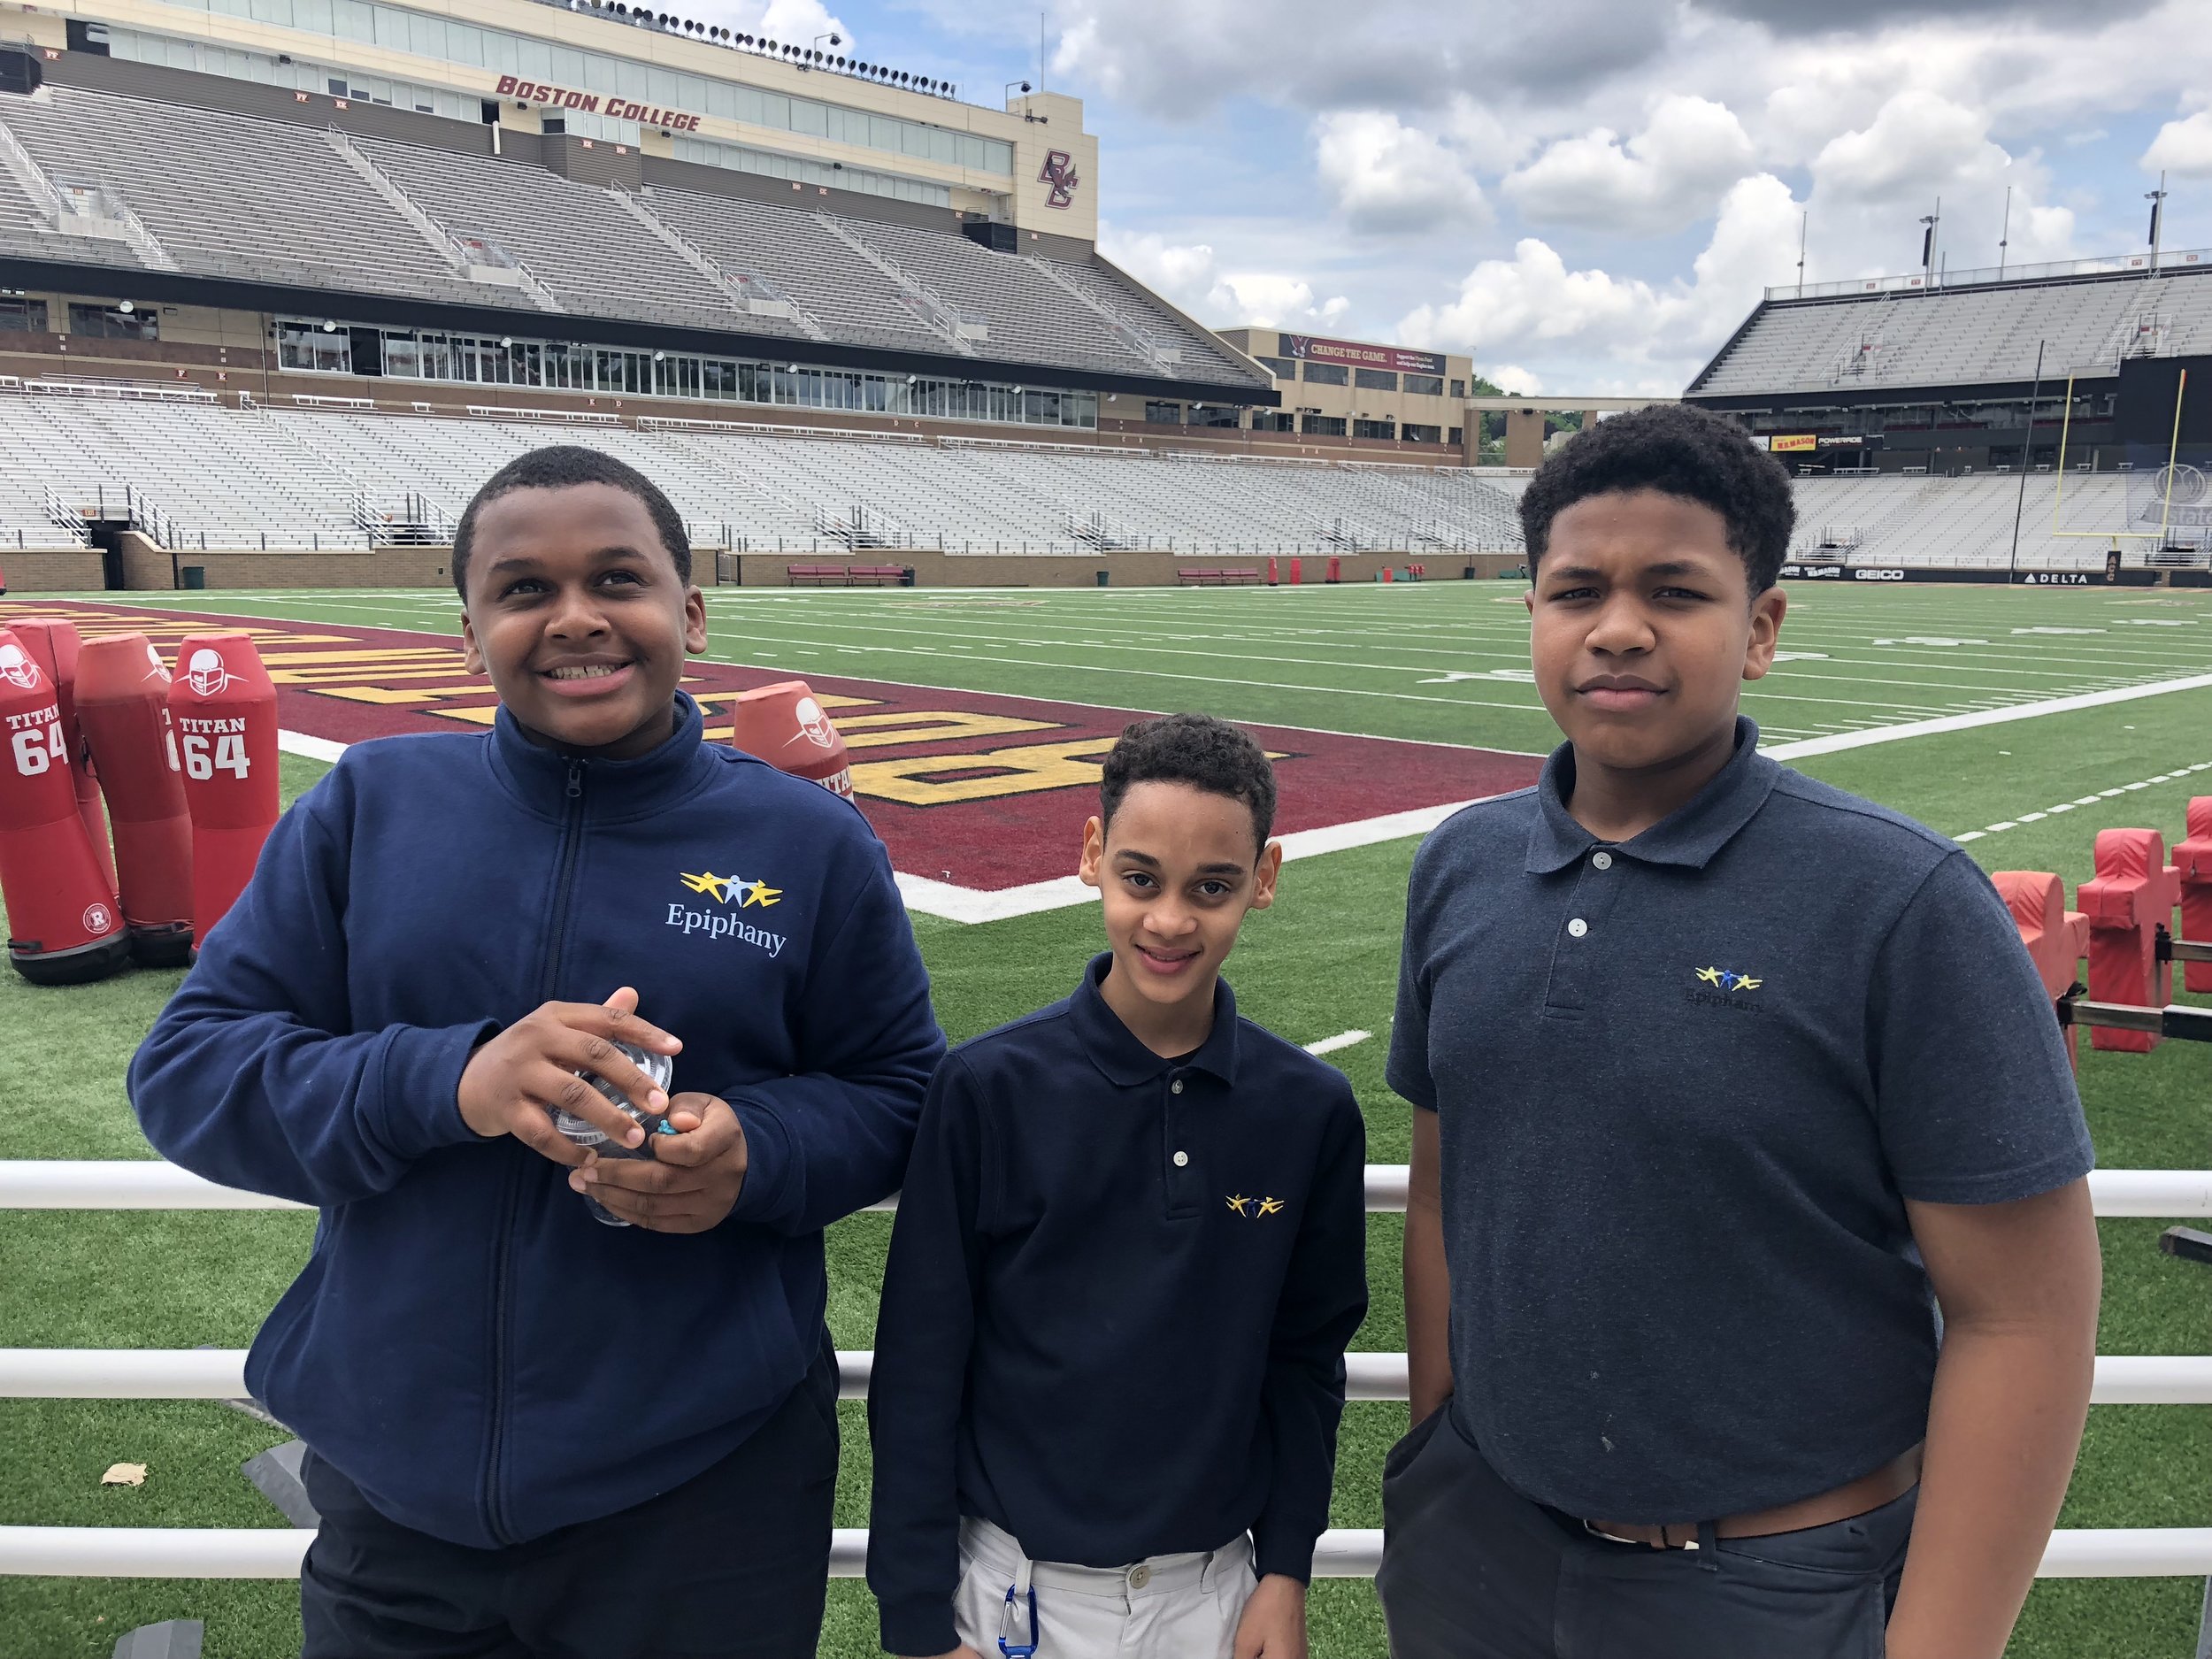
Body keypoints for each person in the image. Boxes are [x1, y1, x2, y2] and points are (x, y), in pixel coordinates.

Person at [130, 444, 944, 1659]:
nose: (574, 619)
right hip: (397, 1487)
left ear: (691, 610)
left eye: (618, 578)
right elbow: (187, 1070)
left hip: (703, 1490)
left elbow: (905, 1094)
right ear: (469, 629)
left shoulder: (809, 841)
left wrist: (754, 1154)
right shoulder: (371, 806)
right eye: (523, 589)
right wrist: (449, 1080)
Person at [1378, 404, 2101, 1659]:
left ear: (1761, 627)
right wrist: (1443, 1439)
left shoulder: (1904, 901)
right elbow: (1448, 1190)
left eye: (1674, 588)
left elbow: (2024, 1317)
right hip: (1479, 1540)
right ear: (1534, 616)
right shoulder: (1463, 864)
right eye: (1576, 589)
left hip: (1766, 1575)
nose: (1617, 626)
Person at [866, 712, 1368, 1659]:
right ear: (1092, 854)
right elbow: (919, 1369)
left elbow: (1305, 1361)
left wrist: (1285, 1571)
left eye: (1211, 888)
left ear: (1262, 881)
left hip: (1210, 1590)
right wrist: (917, 1622)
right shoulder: (984, 1088)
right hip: (1007, 1583)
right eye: (1141, 878)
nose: (1170, 920)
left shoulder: (1308, 1111)